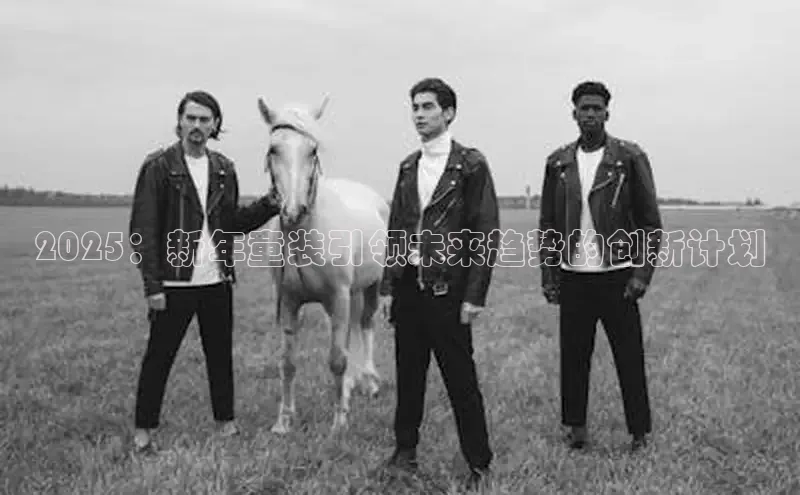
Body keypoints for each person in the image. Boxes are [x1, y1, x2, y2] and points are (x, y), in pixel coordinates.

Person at [128, 90, 281, 452]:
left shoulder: (224, 168)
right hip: (173, 282)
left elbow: (231, 223)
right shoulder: (159, 167)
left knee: (220, 355)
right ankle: (143, 431)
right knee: (159, 357)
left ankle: (226, 423)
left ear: (215, 125)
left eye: (204, 119)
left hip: (216, 280)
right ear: (180, 122)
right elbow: (143, 230)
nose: (197, 125)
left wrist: (269, 205)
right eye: (191, 118)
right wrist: (153, 286)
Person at [378, 77, 499, 489]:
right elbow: (397, 229)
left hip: (448, 290)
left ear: (448, 113)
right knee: (409, 375)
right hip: (409, 288)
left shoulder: (470, 165)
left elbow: (486, 231)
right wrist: (389, 286)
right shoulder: (408, 166)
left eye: (427, 107)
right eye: (415, 107)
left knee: (460, 381)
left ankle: (479, 463)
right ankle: (404, 452)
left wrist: (475, 295)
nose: (419, 115)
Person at [537, 81, 663, 452]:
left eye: (597, 108)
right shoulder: (558, 163)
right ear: (573, 113)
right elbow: (548, 224)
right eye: (584, 108)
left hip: (617, 275)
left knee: (629, 356)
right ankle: (575, 427)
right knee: (574, 356)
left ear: (607, 113)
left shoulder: (628, 158)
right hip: (574, 276)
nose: (590, 114)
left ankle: (639, 432)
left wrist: (641, 274)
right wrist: (549, 275)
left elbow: (650, 223)